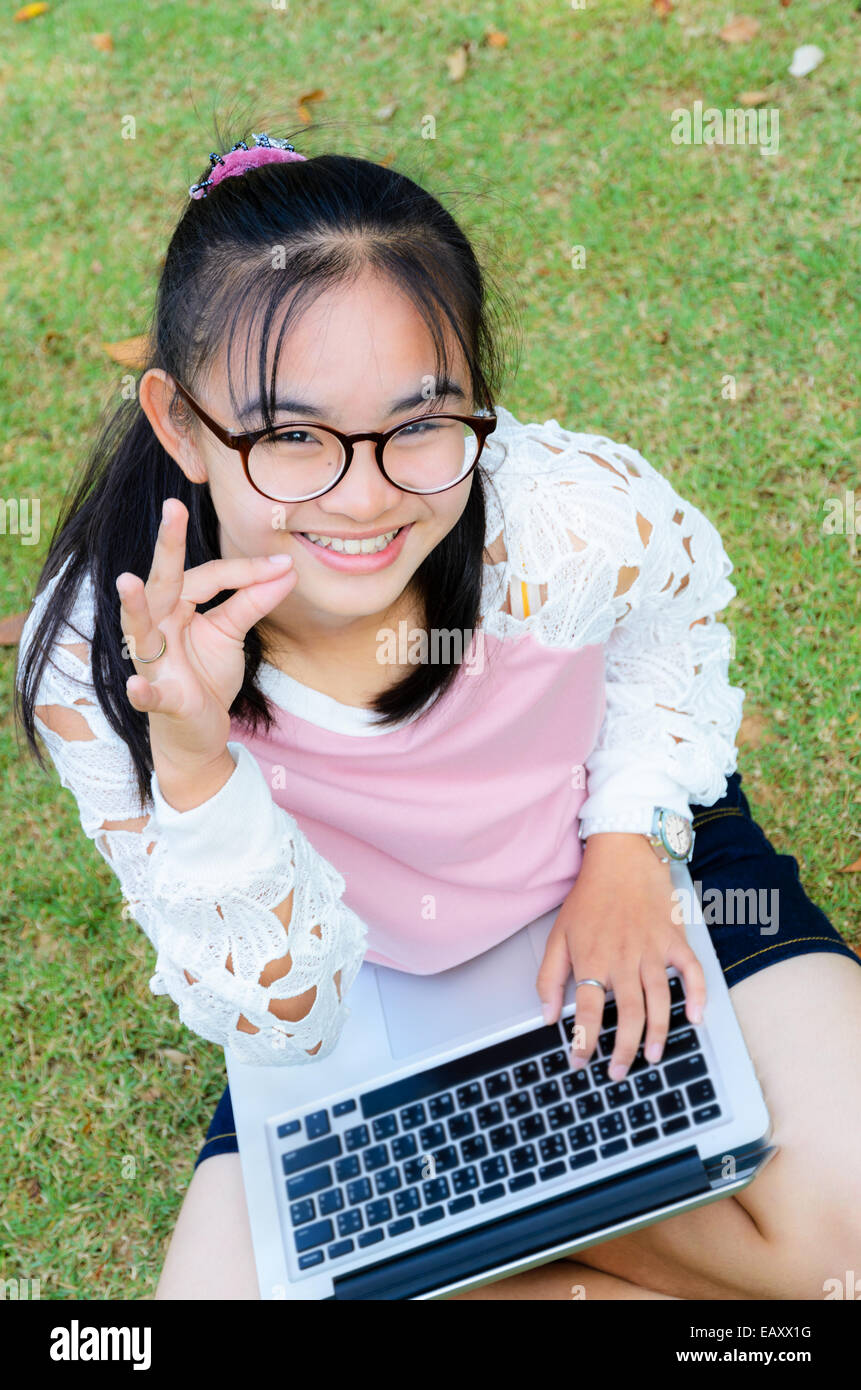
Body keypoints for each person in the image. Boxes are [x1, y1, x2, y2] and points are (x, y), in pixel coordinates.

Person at [14, 132, 861, 1302]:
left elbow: (672, 629)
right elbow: (278, 1011)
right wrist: (199, 760)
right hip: (344, 983)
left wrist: (628, 844)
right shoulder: (104, 651)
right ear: (180, 427)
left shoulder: (561, 519)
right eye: (289, 435)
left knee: (848, 1256)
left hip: (610, 878)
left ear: (477, 399)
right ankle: (557, 1205)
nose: (363, 498)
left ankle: (502, 1220)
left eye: (421, 423)